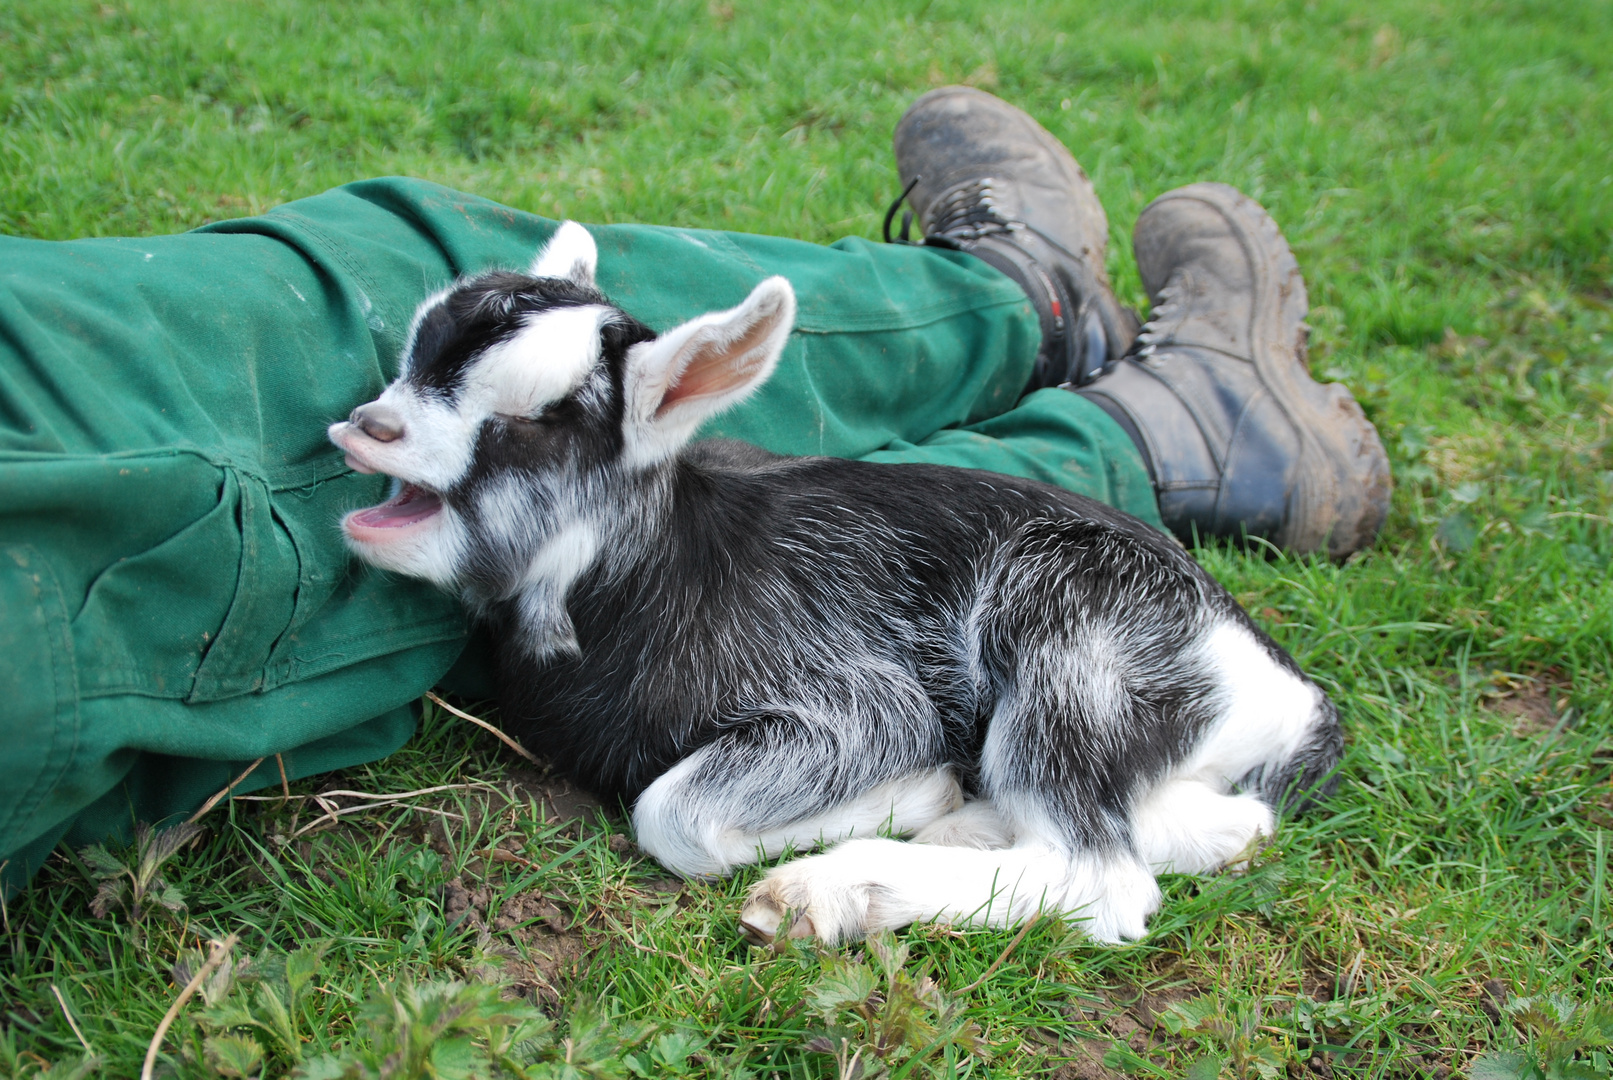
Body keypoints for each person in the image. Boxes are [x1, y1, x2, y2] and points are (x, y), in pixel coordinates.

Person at [0, 87, 1389, 890]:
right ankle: (1127, 409)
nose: (361, 423)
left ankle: (1014, 311)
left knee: (304, 282)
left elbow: (870, 700)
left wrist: (778, 828)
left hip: (1125, 662)